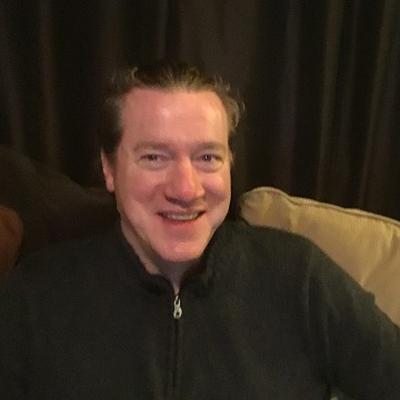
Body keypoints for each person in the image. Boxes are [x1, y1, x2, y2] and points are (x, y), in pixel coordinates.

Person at [0, 61, 399, 400]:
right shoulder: (35, 296)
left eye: (207, 157)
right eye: (154, 157)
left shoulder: (300, 278)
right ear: (109, 168)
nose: (186, 189)